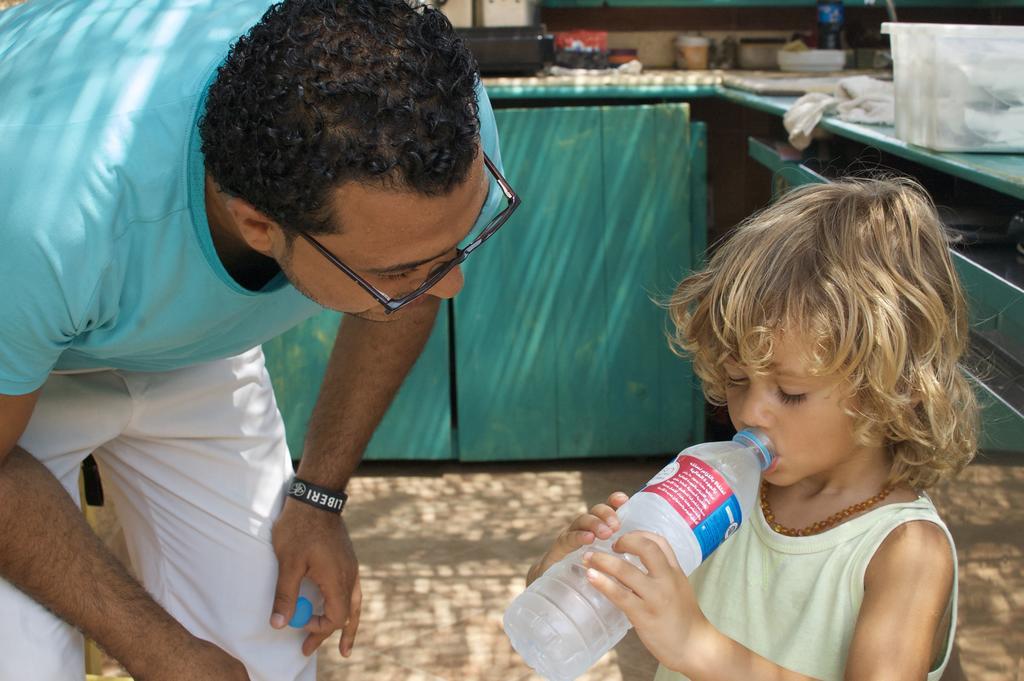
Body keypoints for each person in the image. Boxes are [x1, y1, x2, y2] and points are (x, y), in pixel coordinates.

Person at [0, 0, 514, 679]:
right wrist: (159, 649)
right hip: (26, 345)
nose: (448, 288)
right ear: (259, 227)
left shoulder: (435, 113)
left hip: (177, 332)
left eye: (455, 244)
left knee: (267, 651)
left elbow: (412, 287)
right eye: (397, 271)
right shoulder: (47, 220)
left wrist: (319, 497)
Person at [528, 179, 976, 680]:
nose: (751, 412)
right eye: (738, 380)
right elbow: (607, 611)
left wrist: (697, 645)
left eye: (791, 392)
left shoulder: (906, 551)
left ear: (896, 384)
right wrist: (570, 579)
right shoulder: (719, 496)